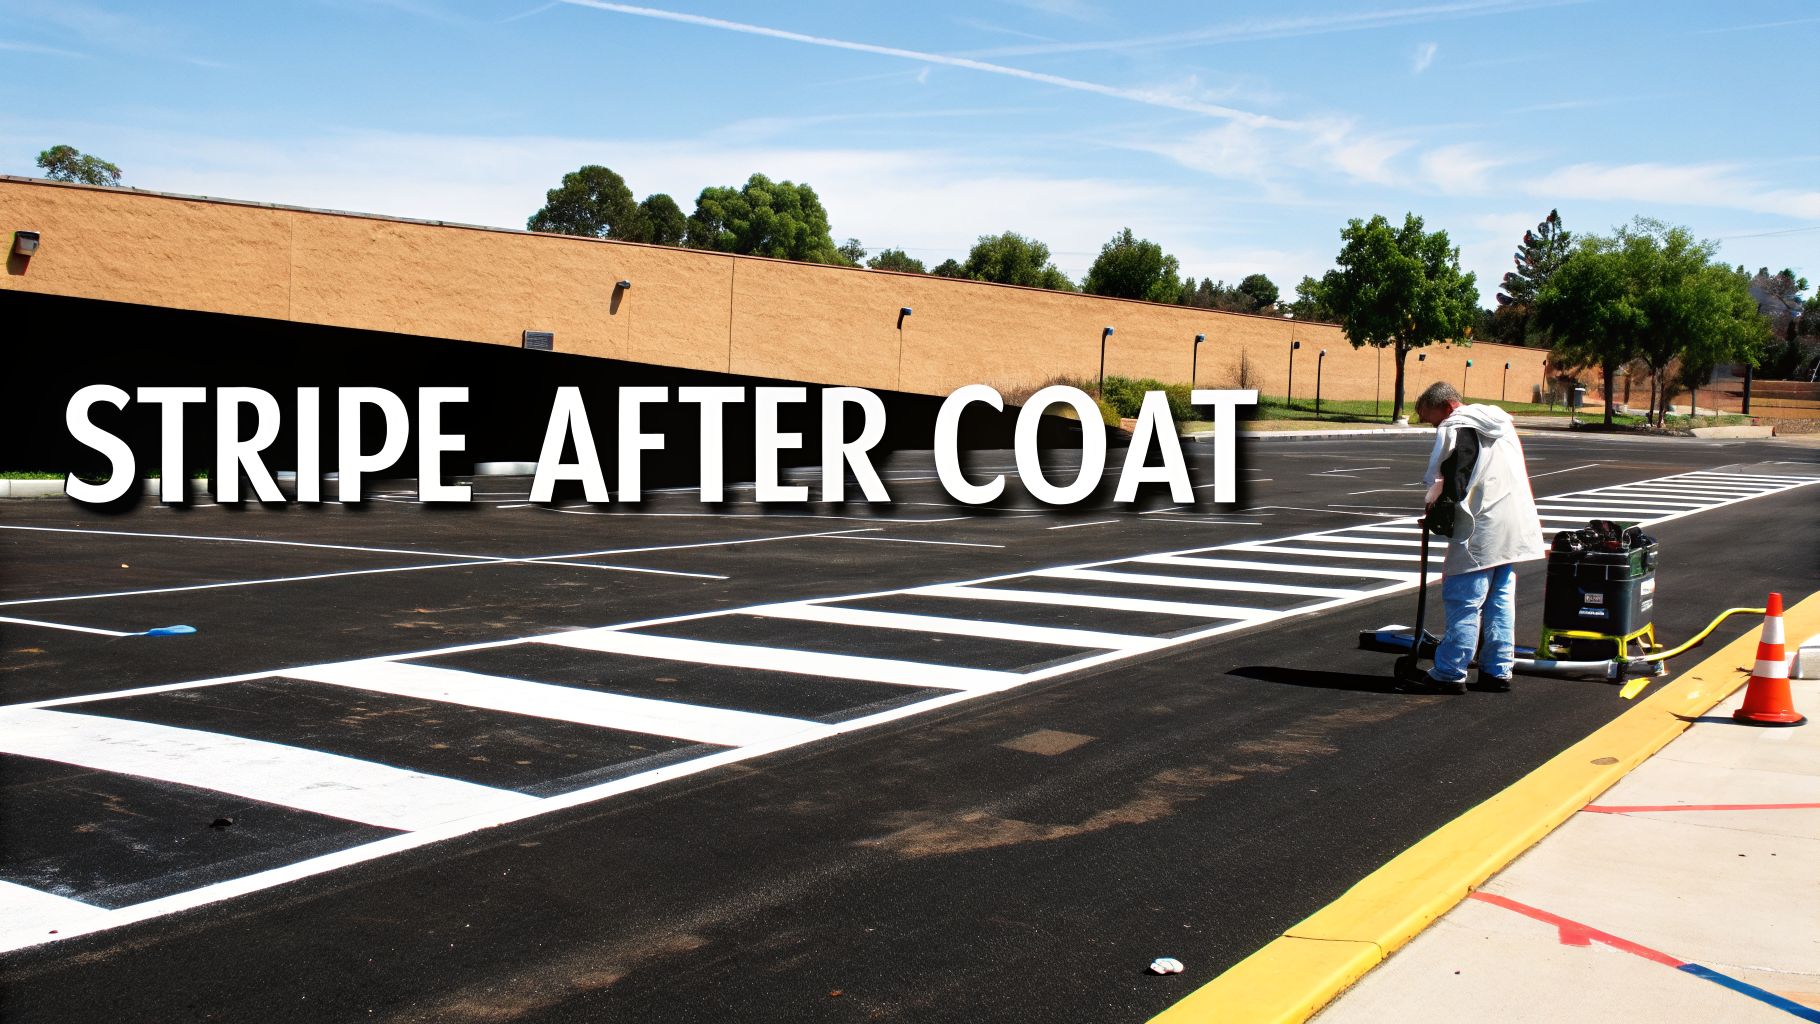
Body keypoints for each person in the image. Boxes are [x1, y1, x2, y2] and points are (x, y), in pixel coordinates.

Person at [1398, 381, 1545, 695]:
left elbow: (1456, 476)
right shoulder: (1499, 422)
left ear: (1447, 407)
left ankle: (1449, 672)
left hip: (1481, 524)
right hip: (1512, 520)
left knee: (1464, 598)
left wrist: (1438, 512)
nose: (1434, 427)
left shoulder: (1461, 425)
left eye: (1432, 420)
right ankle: (1497, 671)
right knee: (1499, 600)